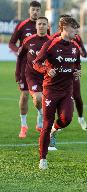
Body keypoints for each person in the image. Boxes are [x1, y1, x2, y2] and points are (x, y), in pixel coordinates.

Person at [33, 17, 81, 170]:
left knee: (66, 119)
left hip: (66, 90)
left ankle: (55, 129)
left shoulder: (75, 47)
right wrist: (47, 70)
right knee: (46, 124)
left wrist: (77, 72)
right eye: (74, 28)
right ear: (65, 28)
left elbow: (77, 64)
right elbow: (36, 63)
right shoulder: (51, 44)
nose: (76, 32)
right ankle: (43, 158)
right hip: (51, 90)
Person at [9, 1, 42, 138]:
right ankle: (24, 125)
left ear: (40, 11)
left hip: (40, 69)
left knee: (40, 97)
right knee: (24, 96)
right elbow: (12, 43)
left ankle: (40, 120)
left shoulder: (43, 26)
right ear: (29, 11)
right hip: (24, 67)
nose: (35, 12)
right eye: (33, 9)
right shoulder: (22, 26)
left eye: (37, 10)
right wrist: (18, 50)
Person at [51, 14, 87, 131]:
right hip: (59, 75)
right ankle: (59, 121)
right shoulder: (54, 38)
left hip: (72, 73)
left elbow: (84, 53)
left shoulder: (76, 37)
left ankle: (81, 118)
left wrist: (81, 51)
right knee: (59, 98)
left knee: (77, 96)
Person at [17, 17, 51, 133]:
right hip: (31, 75)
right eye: (39, 24)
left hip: (46, 76)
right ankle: (40, 115)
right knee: (37, 98)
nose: (41, 26)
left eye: (44, 24)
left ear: (48, 26)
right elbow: (20, 56)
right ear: (36, 26)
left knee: (47, 101)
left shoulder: (51, 42)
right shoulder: (28, 40)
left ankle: (40, 119)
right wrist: (18, 73)